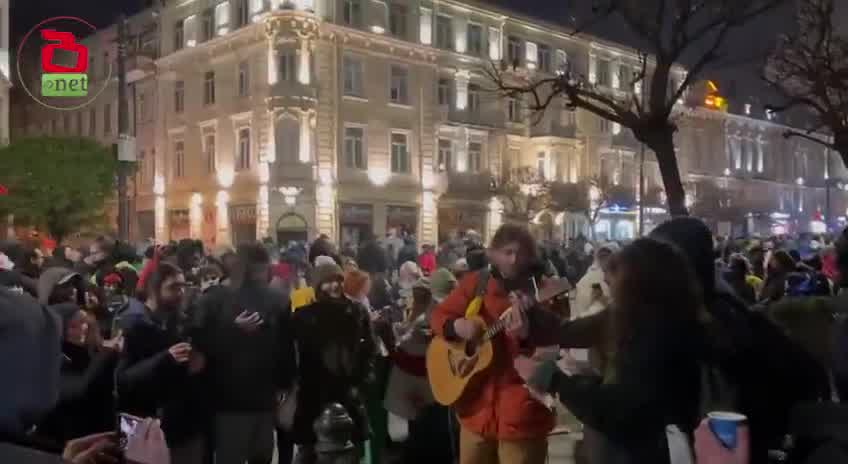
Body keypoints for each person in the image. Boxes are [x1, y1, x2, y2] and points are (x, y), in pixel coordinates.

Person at [517, 238, 705, 464]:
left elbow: (618, 410)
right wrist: (532, 314)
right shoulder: (627, 314)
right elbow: (569, 331)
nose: (606, 278)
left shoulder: (657, 334)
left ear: (640, 281)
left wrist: (553, 378)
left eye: (616, 272)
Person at [430, 224, 560, 464]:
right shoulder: (476, 282)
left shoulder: (542, 291)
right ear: (493, 253)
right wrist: (456, 327)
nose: (513, 259)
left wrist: (524, 336)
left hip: (521, 416)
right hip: (474, 408)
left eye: (520, 254)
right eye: (508, 252)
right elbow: (439, 315)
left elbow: (553, 348)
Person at [195, 243, 296, 464]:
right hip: (248, 399)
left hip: (232, 400)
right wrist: (285, 387)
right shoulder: (276, 300)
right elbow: (286, 351)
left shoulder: (212, 299)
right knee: (257, 456)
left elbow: (199, 346)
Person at [117, 262, 208, 463]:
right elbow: (123, 381)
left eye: (183, 287)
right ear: (154, 288)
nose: (181, 293)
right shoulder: (132, 324)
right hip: (142, 430)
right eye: (174, 287)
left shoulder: (182, 323)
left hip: (184, 429)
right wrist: (165, 359)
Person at [291, 263, 377, 464]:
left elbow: (369, 348)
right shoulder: (303, 315)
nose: (335, 286)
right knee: (309, 451)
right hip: (313, 393)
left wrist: (362, 378)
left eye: (338, 280)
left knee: (350, 452)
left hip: (347, 391)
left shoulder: (356, 311)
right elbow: (292, 354)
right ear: (318, 285)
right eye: (328, 281)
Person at [38, 303, 122, 446]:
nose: (83, 328)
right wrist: (109, 353)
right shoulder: (53, 360)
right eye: (73, 326)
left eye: (84, 323)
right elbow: (80, 389)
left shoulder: (86, 355)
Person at [572, 243, 616, 320]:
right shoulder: (589, 278)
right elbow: (582, 308)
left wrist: (603, 301)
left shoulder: (620, 279)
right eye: (603, 257)